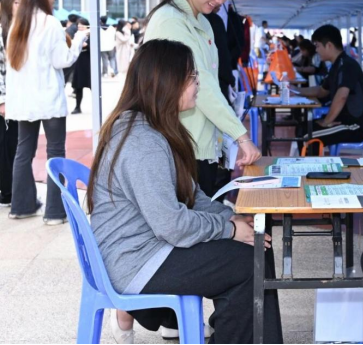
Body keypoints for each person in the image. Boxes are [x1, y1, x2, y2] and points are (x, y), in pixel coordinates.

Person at [89, 39, 282, 345]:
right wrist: (230, 229)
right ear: (167, 82)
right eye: (191, 77)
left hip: (149, 248)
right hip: (137, 262)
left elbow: (192, 196)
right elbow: (173, 226)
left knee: (255, 246)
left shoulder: (155, 128)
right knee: (248, 263)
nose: (197, 83)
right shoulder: (142, 142)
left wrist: (231, 218)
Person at [144, 0, 262, 197]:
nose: (221, 1)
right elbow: (203, 84)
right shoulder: (171, 20)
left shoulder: (203, 22)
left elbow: (210, 83)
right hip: (180, 144)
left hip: (198, 142)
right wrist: (241, 136)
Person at [5, 0, 88, 224]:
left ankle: (21, 206)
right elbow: (61, 60)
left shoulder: (17, 23)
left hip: (24, 102)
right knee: (55, 152)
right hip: (48, 99)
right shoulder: (49, 23)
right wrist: (78, 39)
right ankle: (54, 211)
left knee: (23, 152)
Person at [295, 24, 363, 148]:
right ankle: (309, 160)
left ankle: (309, 161)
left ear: (329, 45)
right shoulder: (337, 65)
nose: (316, 50)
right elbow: (321, 91)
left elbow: (342, 96)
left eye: (318, 46)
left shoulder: (347, 65)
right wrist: (296, 90)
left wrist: (326, 121)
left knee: (306, 135)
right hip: (342, 121)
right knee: (302, 127)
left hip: (353, 126)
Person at [0, 0, 22, 207]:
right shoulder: (3, 31)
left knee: (13, 145)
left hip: (18, 99)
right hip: (6, 100)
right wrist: (2, 100)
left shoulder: (18, 28)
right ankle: (8, 192)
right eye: (17, 2)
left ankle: (10, 191)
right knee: (9, 146)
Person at [71, 18, 92, 115]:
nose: (80, 28)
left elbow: (93, 48)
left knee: (92, 85)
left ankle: (97, 105)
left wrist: (86, 45)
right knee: (78, 86)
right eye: (78, 26)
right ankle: (77, 107)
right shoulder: (76, 35)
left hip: (89, 63)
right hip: (79, 63)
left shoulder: (91, 35)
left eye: (82, 26)